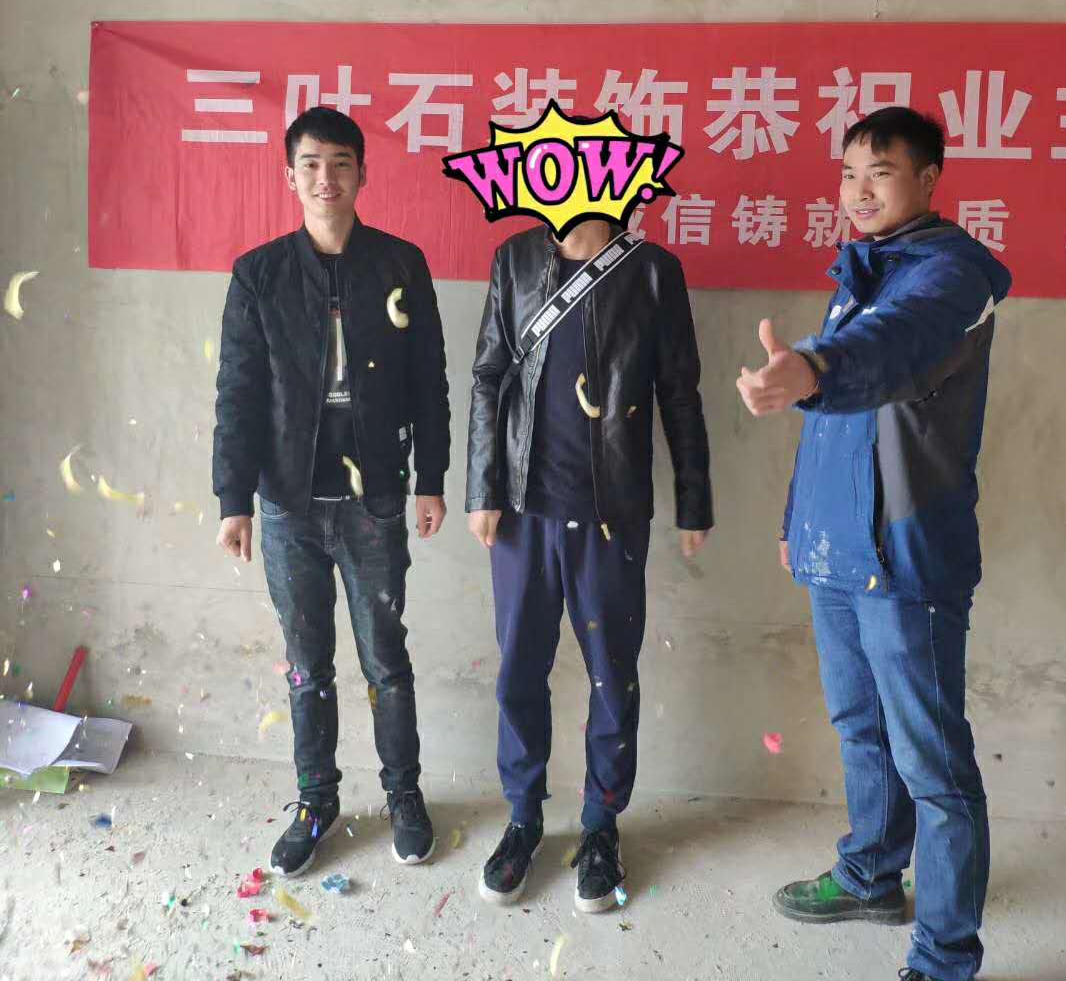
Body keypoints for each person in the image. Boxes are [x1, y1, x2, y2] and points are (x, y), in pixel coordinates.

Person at [736, 107, 1011, 981]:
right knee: (861, 728)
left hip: (905, 555)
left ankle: (946, 954)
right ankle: (870, 876)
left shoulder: (953, 277)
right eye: (849, 173)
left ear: (928, 179)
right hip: (836, 548)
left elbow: (892, 348)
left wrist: (815, 367)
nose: (859, 191)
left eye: (880, 173)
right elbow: (832, 424)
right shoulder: (863, 268)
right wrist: (797, 522)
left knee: (933, 761)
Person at [213, 105, 450, 877]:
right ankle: (316, 802)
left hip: (375, 499)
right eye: (311, 164)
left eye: (341, 163)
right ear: (291, 177)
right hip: (288, 501)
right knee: (307, 665)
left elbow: (430, 381)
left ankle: (404, 795)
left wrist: (431, 479)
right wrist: (233, 500)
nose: (326, 177)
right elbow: (238, 393)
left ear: (362, 174)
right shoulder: (259, 275)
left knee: (386, 659)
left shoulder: (400, 266)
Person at [466, 214, 712, 913]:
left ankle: (602, 824)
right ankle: (523, 818)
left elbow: (680, 391)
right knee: (519, 671)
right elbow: (489, 377)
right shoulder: (515, 261)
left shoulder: (653, 271)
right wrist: (482, 489)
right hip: (522, 513)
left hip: (612, 513)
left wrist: (694, 500)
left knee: (612, 675)